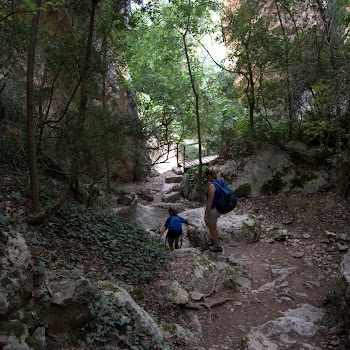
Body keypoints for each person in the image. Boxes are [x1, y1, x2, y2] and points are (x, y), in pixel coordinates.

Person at [204, 166, 225, 252]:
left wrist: (206, 213)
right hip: (220, 207)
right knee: (213, 226)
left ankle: (217, 245)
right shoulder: (221, 181)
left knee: (212, 228)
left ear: (209, 176)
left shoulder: (212, 186)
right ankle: (214, 240)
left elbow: (210, 201)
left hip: (213, 209)